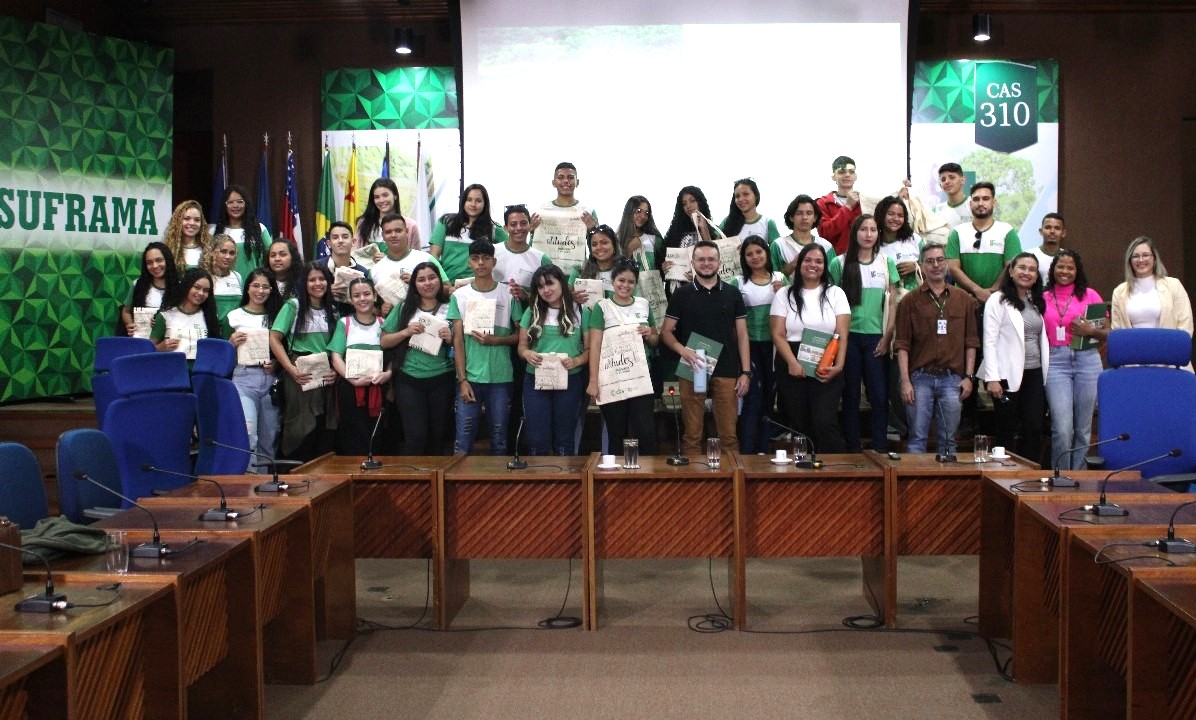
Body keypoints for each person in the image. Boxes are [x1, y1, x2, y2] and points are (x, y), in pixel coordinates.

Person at [661, 240, 751, 456]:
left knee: (729, 436)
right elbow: (666, 332)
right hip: (693, 366)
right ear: (692, 263)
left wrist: (746, 372)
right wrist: (684, 351)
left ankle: (731, 476)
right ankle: (694, 478)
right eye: (701, 259)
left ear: (719, 262)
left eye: (711, 259)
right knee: (692, 435)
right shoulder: (682, 294)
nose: (706, 263)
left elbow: (742, 335)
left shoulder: (732, 293)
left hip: (727, 368)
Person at [893, 244, 978, 455]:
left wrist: (969, 377)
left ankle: (947, 478)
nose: (936, 265)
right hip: (920, 378)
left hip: (952, 379)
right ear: (922, 265)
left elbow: (971, 342)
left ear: (947, 263)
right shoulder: (910, 301)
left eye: (940, 260)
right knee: (917, 439)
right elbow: (902, 345)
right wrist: (905, 381)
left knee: (949, 441)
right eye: (930, 261)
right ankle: (915, 478)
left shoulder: (963, 299)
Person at [770, 244, 850, 453]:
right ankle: (803, 468)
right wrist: (792, 362)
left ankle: (835, 468)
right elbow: (778, 334)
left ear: (825, 266)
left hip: (827, 359)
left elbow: (842, 334)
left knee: (824, 421)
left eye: (818, 261)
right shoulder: (784, 294)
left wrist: (839, 366)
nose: (813, 265)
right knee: (799, 422)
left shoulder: (835, 293)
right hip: (791, 361)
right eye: (807, 260)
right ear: (799, 264)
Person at [830, 215, 899, 452]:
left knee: (879, 395)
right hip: (848, 338)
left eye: (873, 230)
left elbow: (892, 303)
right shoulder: (838, 263)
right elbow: (831, 301)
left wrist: (887, 336)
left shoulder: (886, 263)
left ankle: (880, 447)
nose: (868, 234)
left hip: (876, 338)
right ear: (854, 232)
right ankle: (852, 448)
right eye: (863, 229)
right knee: (850, 396)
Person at [448, 240, 521, 454]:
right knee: (463, 438)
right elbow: (458, 340)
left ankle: (500, 477)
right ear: (469, 262)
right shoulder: (459, 296)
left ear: (494, 262)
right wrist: (462, 380)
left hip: (501, 376)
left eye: (486, 258)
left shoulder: (508, 294)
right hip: (470, 377)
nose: (481, 263)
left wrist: (496, 340)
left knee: (499, 437)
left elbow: (521, 336)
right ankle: (459, 476)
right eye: (475, 258)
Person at [586, 257, 659, 456]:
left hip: (641, 378)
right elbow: (595, 346)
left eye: (630, 281)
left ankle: (646, 474)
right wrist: (593, 381)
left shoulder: (643, 304)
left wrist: (649, 334)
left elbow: (655, 340)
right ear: (613, 280)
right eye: (621, 280)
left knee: (645, 432)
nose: (625, 285)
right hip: (612, 379)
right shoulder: (602, 307)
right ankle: (616, 475)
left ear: (636, 283)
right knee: (616, 432)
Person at [381, 262, 454, 455]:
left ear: (440, 280)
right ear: (414, 284)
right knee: (415, 437)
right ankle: (413, 474)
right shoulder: (403, 308)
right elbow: (384, 341)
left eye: (432, 277)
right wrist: (405, 332)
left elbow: (463, 345)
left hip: (443, 377)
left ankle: (437, 475)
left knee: (438, 437)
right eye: (421, 280)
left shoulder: (451, 307)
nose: (427, 283)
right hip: (409, 379)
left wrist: (451, 339)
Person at [980, 253, 1049, 458]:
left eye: (1032, 269)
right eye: (1022, 268)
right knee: (1006, 428)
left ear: (1036, 276)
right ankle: (1003, 474)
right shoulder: (997, 299)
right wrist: (992, 378)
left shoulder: (1035, 300)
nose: (1026, 273)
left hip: (1034, 372)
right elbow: (989, 341)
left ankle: (1029, 472)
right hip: (1005, 375)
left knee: (1034, 427)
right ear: (1011, 271)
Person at [269, 262, 339, 461]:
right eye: (312, 280)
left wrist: (335, 371)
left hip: (325, 372)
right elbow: (274, 338)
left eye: (322, 279)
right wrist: (290, 369)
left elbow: (337, 347)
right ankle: (294, 469)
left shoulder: (333, 310)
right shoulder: (293, 306)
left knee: (323, 424)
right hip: (300, 372)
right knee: (299, 425)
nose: (317, 283)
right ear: (304, 283)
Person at [1042, 250, 1105, 470]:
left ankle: (1079, 477)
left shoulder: (1090, 295)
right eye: (1061, 266)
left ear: (1077, 271)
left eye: (1070, 268)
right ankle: (1060, 476)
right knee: (1062, 428)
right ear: (1053, 269)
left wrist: (1090, 331)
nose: (1065, 271)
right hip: (1056, 362)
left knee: (1083, 429)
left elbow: (1107, 331)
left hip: (1087, 360)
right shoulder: (1043, 297)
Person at [517, 265, 589, 455]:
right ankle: (539, 474)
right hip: (536, 381)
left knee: (564, 437)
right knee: (537, 438)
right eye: (540, 286)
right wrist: (527, 354)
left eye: (550, 283)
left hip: (570, 380)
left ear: (562, 283)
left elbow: (590, 350)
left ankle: (565, 474)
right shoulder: (532, 311)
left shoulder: (580, 310)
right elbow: (521, 347)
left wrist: (576, 361)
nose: (546, 290)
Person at [222, 269, 284, 466]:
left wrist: (276, 363)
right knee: (248, 436)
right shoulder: (234, 316)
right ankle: (249, 481)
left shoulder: (277, 316)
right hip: (243, 379)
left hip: (270, 380)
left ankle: (266, 482)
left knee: (269, 439)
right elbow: (221, 355)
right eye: (256, 286)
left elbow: (284, 348)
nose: (260, 291)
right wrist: (230, 343)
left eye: (265, 287)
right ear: (247, 288)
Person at [731, 236, 786, 454]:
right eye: (749, 254)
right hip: (749, 347)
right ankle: (747, 451)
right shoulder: (737, 283)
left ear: (767, 253)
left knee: (769, 398)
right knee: (753, 397)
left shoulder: (780, 279)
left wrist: (785, 291)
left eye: (759, 252)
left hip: (775, 347)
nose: (755, 257)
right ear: (743, 258)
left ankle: (763, 451)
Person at [329, 277, 390, 455]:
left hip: (379, 389)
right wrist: (352, 380)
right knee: (353, 437)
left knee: (378, 437)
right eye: (356, 295)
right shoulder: (345, 323)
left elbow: (393, 356)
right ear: (350, 299)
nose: (362, 299)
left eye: (366, 294)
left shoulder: (384, 324)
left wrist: (388, 374)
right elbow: (336, 357)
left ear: (375, 295)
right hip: (350, 390)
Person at [944, 182, 1022, 304]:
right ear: (970, 204)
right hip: (965, 301)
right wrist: (977, 291)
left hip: (999, 301)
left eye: (986, 199)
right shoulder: (958, 232)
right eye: (976, 199)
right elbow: (953, 268)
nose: (980, 203)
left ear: (994, 202)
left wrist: (991, 292)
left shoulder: (1007, 231)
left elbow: (1011, 266)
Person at [1110, 236, 1194, 335]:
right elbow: (1117, 331)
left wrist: (1176, 343)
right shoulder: (1119, 292)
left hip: (1167, 344)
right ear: (1130, 261)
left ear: (1154, 258)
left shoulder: (1174, 285)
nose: (1141, 260)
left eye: (1145, 255)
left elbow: (1186, 324)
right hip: (1132, 345)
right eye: (1135, 256)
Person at [370, 213, 448, 317]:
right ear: (383, 236)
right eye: (388, 232)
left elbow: (448, 289)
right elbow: (370, 306)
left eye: (398, 230)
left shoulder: (425, 259)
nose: (393, 235)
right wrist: (381, 311)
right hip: (393, 325)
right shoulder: (375, 269)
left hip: (427, 321)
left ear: (407, 232)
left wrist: (417, 283)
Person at [429, 183, 508, 285]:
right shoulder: (446, 222)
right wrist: (445, 283)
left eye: (478, 201)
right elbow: (434, 255)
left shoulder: (493, 228)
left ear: (485, 204)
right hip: (447, 285)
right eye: (469, 200)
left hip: (478, 287)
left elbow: (511, 250)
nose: (473, 204)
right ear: (463, 202)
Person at [149, 267, 221, 357]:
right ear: (187, 286)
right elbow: (148, 350)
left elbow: (216, 349)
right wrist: (160, 348)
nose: (201, 293)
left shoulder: (210, 317)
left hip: (202, 365)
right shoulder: (166, 315)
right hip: (172, 364)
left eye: (206, 290)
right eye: (197, 287)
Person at [212, 184, 271, 280]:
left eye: (240, 202)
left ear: (246, 204)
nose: (235, 206)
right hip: (223, 285)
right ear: (224, 205)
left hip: (254, 285)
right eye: (230, 202)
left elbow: (271, 257)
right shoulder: (215, 231)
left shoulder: (259, 229)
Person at [494, 204, 551, 303]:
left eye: (524, 223)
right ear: (506, 228)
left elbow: (552, 295)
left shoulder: (541, 259)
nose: (519, 228)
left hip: (528, 312)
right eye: (513, 224)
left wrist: (527, 296)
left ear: (530, 226)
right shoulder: (492, 252)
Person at [770, 194, 835, 279]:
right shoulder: (778, 245)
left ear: (815, 218)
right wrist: (793, 265)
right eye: (799, 213)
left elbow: (832, 279)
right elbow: (770, 278)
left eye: (809, 213)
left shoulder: (826, 246)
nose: (804, 217)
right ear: (791, 217)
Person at [661, 186, 713, 291]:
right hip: (677, 290)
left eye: (692, 201)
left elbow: (715, 257)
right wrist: (664, 267)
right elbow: (663, 259)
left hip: (704, 290)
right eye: (684, 204)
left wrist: (704, 228)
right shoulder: (675, 231)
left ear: (700, 202)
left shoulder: (712, 229)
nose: (688, 206)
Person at [120, 242, 178, 336]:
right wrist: (130, 325)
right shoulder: (138, 284)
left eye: (159, 260)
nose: (155, 266)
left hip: (169, 341)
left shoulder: (180, 287)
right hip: (143, 340)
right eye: (149, 262)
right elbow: (126, 311)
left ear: (168, 260)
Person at [355, 177, 422, 252]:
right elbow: (355, 253)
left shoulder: (411, 225)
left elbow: (417, 257)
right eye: (377, 197)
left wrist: (387, 258)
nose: (381, 200)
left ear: (395, 196)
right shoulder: (363, 223)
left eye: (385, 195)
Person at [816, 155, 863, 255]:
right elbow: (824, 233)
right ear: (833, 177)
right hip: (834, 259)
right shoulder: (822, 203)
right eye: (841, 172)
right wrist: (847, 207)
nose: (847, 175)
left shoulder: (864, 202)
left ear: (855, 176)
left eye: (851, 172)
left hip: (862, 259)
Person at [323, 220, 371, 317]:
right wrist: (325, 292)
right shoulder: (317, 269)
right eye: (335, 237)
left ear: (353, 242)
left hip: (352, 321)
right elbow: (302, 297)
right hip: (322, 321)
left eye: (345, 237)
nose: (340, 241)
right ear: (329, 243)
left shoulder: (363, 272)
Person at [569, 224, 619, 303]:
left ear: (614, 246)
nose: (599, 247)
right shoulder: (580, 269)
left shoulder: (625, 270)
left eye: (604, 243)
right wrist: (573, 298)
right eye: (594, 244)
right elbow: (566, 299)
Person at [720, 178, 780, 243]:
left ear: (756, 195)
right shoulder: (727, 221)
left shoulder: (767, 223)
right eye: (737, 196)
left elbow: (776, 248)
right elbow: (714, 244)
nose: (740, 199)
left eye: (746, 194)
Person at [615, 195, 664, 271]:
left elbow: (661, 265)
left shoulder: (654, 238)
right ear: (629, 211)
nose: (643, 216)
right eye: (638, 211)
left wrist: (663, 268)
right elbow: (614, 270)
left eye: (646, 213)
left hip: (651, 278)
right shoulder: (617, 238)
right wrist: (629, 251)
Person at [161, 200, 212, 271]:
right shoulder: (168, 250)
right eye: (187, 218)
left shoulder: (209, 249)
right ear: (178, 221)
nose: (192, 223)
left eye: (197, 220)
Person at [203, 234, 242, 321]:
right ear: (212, 252)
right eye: (223, 251)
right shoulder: (204, 277)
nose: (228, 257)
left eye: (232, 253)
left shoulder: (237, 277)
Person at [932, 162, 972, 230]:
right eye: (943, 179)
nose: (947, 182)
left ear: (963, 180)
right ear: (941, 185)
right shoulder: (936, 211)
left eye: (952, 177)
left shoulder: (975, 205)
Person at [1031, 213, 1066, 285]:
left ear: (1063, 233)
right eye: (1048, 227)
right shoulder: (1030, 255)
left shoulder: (1068, 258)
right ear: (1041, 231)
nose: (1052, 231)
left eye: (1057, 228)